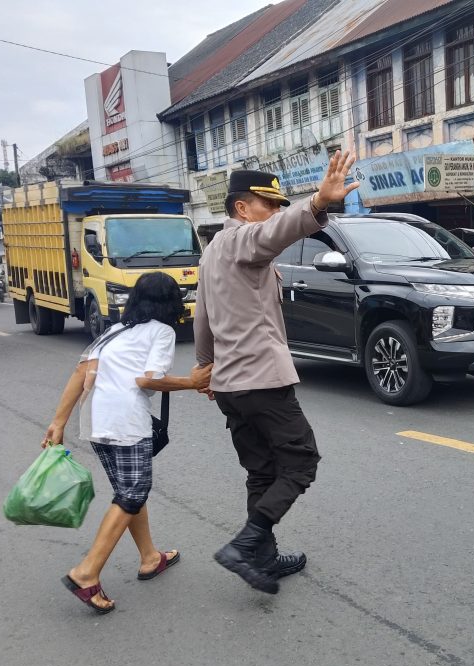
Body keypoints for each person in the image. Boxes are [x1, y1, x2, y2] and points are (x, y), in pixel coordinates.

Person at [196, 152, 360, 594]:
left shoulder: (212, 251)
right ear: (241, 209)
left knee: (263, 472)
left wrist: (205, 368)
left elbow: (204, 318)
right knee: (302, 460)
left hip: (231, 384)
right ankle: (245, 545)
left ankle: (263, 559)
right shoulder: (241, 240)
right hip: (262, 381)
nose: (273, 211)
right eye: (267, 204)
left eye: (277, 204)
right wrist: (315, 205)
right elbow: (277, 230)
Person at [44, 273, 212, 613]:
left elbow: (80, 374)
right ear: (171, 303)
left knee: (129, 492)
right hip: (126, 421)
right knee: (132, 493)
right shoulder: (161, 331)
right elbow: (148, 379)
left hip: (95, 420)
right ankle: (86, 573)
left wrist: (57, 423)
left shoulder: (113, 332)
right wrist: (192, 382)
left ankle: (150, 557)